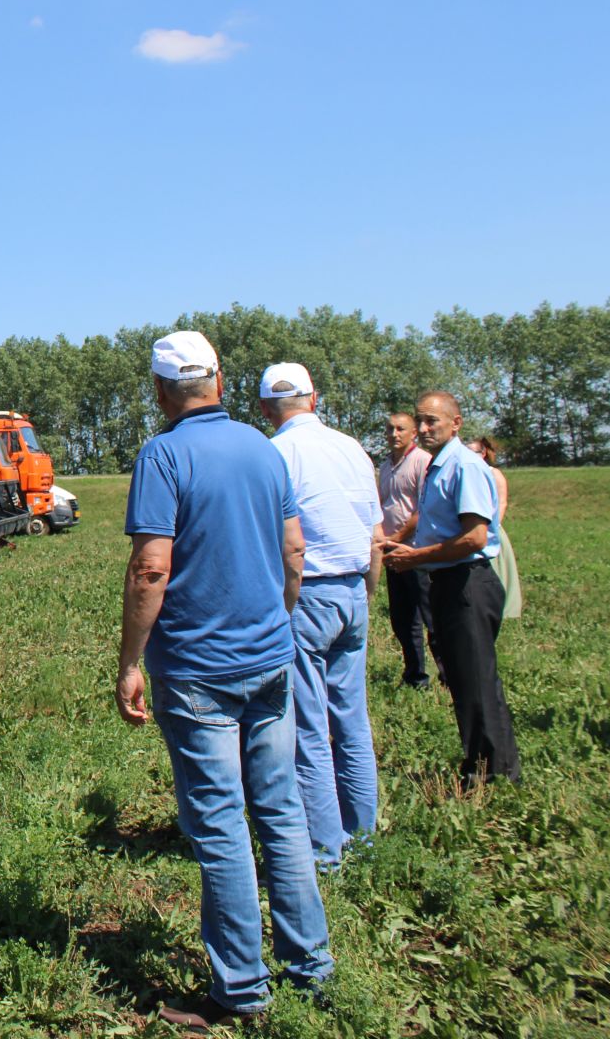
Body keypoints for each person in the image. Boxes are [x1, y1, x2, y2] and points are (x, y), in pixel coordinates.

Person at [120, 331, 333, 1030]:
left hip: (197, 673)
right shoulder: (264, 450)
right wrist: (277, 621)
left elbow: (153, 566)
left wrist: (129, 661)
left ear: (159, 391)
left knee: (218, 826)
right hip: (270, 660)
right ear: (220, 377)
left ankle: (241, 990)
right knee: (281, 810)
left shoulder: (163, 454)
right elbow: (294, 552)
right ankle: (312, 968)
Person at [259, 363, 381, 869]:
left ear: (266, 409)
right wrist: (367, 595)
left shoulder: (275, 454)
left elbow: (286, 543)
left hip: (306, 594)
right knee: (352, 720)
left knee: (308, 727)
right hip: (353, 588)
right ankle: (365, 836)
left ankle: (326, 851)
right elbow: (375, 533)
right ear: (315, 399)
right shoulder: (353, 448)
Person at [381, 393, 522, 785]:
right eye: (421, 421)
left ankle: (491, 775)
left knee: (475, 682)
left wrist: (416, 556)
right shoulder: (437, 466)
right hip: (447, 580)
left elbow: (476, 537)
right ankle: (489, 766)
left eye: (433, 422)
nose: (424, 429)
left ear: (455, 423)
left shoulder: (464, 465)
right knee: (465, 680)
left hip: (467, 582)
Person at [377, 413, 435, 687]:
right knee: (402, 618)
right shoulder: (386, 466)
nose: (394, 434)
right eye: (390, 429)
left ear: (413, 433)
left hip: (415, 551)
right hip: (392, 550)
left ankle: (448, 675)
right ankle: (415, 675)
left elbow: (423, 508)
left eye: (401, 429)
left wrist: (398, 536)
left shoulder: (422, 462)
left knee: (430, 615)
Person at [467, 437, 522, 619]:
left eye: (473, 452)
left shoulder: (493, 473)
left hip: (491, 529)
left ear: (483, 453)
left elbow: (502, 502)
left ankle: (503, 607)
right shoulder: (468, 473)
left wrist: (493, 527)